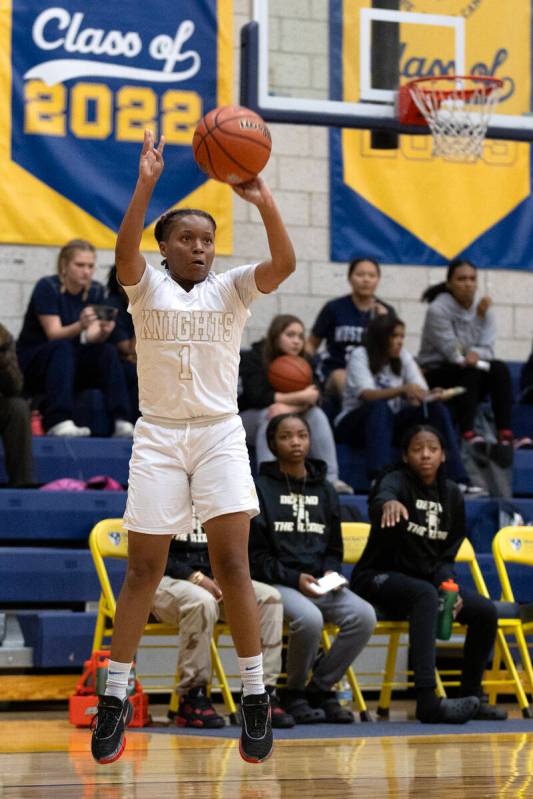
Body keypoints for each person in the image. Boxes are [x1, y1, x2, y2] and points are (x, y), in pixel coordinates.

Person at [90, 129, 296, 766]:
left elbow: (284, 265)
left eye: (207, 238)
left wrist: (262, 201)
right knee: (143, 572)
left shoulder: (232, 289)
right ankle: (115, 698)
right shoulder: (143, 286)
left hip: (217, 434)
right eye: (187, 238)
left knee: (234, 566)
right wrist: (145, 185)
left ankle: (255, 696)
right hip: (157, 436)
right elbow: (124, 253)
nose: (200, 247)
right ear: (166, 247)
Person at [350, 424, 508, 724]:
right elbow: (383, 495)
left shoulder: (451, 495)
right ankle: (426, 700)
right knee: (424, 595)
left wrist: (450, 587)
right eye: (417, 449)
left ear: (443, 455)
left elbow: (446, 554)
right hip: (378, 577)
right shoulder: (394, 480)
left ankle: (472, 695)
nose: (425, 455)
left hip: (425, 582)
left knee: (484, 610)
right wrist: (388, 503)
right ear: (406, 456)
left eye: (432, 449)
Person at [249, 413, 376, 724]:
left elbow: (335, 549)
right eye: (286, 436)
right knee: (309, 618)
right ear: (272, 444)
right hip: (277, 582)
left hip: (317, 583)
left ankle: (319, 688)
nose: (296, 442)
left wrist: (330, 575)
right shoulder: (259, 488)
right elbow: (256, 557)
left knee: (363, 616)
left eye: (302, 435)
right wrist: (294, 578)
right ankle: (292, 692)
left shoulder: (325, 490)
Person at [152, 512, 294, 729]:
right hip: (165, 579)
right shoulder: (163, 489)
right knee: (202, 601)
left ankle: (261, 693)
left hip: (213, 579)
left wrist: (225, 572)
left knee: (269, 598)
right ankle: (192, 696)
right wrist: (196, 577)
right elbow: (150, 555)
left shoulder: (217, 493)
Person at [334, 314, 481, 493]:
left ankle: (458, 480)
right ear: (380, 337)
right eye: (394, 336)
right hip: (353, 424)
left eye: (402, 336)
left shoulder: (403, 356)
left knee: (436, 409)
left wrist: (431, 395)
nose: (400, 341)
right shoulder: (360, 355)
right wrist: (403, 390)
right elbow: (367, 395)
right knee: (380, 407)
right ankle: (380, 478)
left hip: (390, 425)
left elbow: (419, 390)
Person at [16, 240, 133, 437]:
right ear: (64, 265)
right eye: (80, 265)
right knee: (62, 347)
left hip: (68, 359)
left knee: (107, 351)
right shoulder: (48, 287)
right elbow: (53, 333)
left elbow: (90, 339)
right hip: (35, 359)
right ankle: (58, 420)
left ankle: (120, 419)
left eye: (90, 266)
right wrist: (81, 325)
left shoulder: (95, 290)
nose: (86, 271)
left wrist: (104, 331)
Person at [239, 314, 353, 494]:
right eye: (290, 335)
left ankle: (332, 479)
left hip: (286, 414)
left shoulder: (305, 359)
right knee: (270, 416)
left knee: (317, 415)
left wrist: (288, 408)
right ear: (276, 336)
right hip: (248, 420)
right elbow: (257, 396)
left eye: (300, 336)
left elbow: (316, 396)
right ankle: (268, 482)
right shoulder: (255, 356)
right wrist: (300, 397)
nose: (297, 341)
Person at [418, 258, 516, 448]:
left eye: (472, 279)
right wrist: (477, 320)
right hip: (436, 371)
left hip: (470, 369)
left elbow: (488, 348)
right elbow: (454, 353)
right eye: (462, 279)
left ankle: (505, 432)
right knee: (469, 371)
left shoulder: (483, 306)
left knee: (500, 368)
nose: (468, 284)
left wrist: (477, 353)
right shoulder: (437, 309)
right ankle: (468, 432)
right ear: (450, 284)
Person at [306, 257, 395, 397]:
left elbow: (393, 351)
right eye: (360, 275)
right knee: (342, 376)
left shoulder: (386, 311)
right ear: (350, 278)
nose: (366, 280)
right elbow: (311, 344)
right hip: (337, 371)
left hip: (372, 373)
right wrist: (305, 366)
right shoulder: (334, 308)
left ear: (378, 280)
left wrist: (384, 322)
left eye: (372, 275)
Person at [0, 323, 33, 486]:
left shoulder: (2, 336)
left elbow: (15, 387)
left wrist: (3, 356)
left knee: (18, 408)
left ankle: (22, 482)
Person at [106, 265, 139, 423]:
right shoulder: (113, 306)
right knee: (134, 372)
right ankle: (123, 420)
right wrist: (139, 309)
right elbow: (130, 349)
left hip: (136, 359)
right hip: (116, 363)